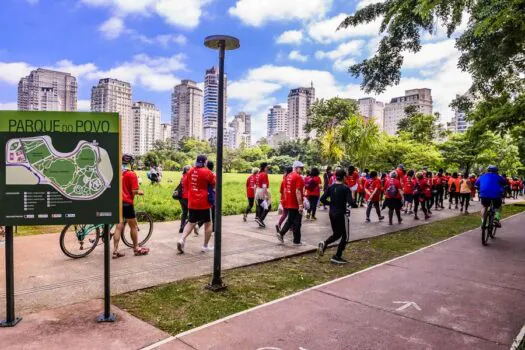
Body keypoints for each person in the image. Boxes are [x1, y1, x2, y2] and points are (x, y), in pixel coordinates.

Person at [112, 154, 150, 258]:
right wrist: (139, 192)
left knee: (118, 227)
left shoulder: (117, 172)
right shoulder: (131, 174)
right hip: (127, 203)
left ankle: (115, 251)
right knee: (133, 226)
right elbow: (134, 191)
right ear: (130, 163)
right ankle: (136, 248)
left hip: (117, 202)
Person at [177, 155, 216, 254]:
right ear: (205, 162)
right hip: (204, 202)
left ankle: (182, 240)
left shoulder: (190, 171)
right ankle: (205, 246)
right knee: (208, 223)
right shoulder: (207, 172)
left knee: (191, 222)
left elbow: (184, 184)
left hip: (192, 201)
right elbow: (214, 184)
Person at [318, 169, 353, 265]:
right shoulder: (345, 188)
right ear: (344, 177)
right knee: (345, 237)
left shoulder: (331, 187)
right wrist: (354, 203)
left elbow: (322, 199)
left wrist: (330, 204)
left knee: (337, 234)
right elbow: (351, 202)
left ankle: (324, 243)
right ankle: (337, 256)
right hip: (341, 213)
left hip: (332, 213)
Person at [276, 161, 305, 246]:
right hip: (295, 203)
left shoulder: (288, 176)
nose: (302, 170)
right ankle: (296, 241)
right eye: (301, 168)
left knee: (291, 220)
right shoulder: (298, 177)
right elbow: (298, 191)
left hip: (289, 202)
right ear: (296, 168)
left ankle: (284, 234)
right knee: (297, 222)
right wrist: (300, 205)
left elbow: (285, 190)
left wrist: (285, 201)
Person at [276, 167, 293, 232]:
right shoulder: (290, 180)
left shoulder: (284, 180)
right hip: (289, 200)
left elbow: (281, 191)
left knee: (285, 214)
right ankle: (290, 227)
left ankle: (279, 224)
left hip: (284, 199)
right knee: (290, 214)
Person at [255, 162, 271, 228]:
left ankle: (259, 220)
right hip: (262, 191)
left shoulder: (258, 174)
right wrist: (266, 195)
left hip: (258, 191)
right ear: (264, 168)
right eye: (267, 167)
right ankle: (260, 219)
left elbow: (256, 184)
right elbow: (264, 186)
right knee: (268, 206)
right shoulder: (264, 174)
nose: (267, 169)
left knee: (261, 206)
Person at [178, 165, 191, 234]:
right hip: (187, 197)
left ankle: (181, 227)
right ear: (187, 170)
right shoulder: (188, 177)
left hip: (181, 197)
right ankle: (185, 225)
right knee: (192, 213)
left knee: (184, 212)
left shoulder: (182, 176)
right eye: (190, 169)